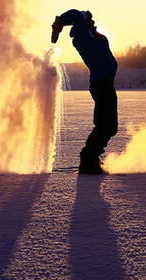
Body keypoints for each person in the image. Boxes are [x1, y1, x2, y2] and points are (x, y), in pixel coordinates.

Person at [51, 9, 118, 174]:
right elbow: (74, 13)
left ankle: (92, 157)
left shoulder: (92, 35)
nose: (92, 21)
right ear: (81, 23)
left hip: (106, 84)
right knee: (105, 125)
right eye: (89, 19)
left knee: (110, 126)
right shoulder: (82, 37)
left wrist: (84, 18)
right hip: (101, 85)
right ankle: (88, 160)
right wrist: (61, 21)